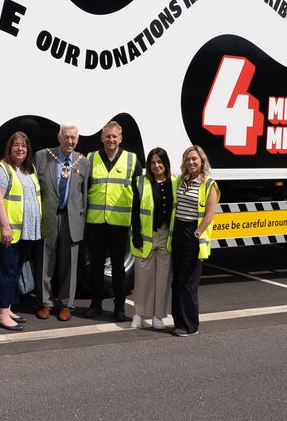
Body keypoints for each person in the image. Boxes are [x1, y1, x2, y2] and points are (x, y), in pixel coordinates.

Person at [84, 120, 141, 321]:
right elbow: (83, 192)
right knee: (96, 266)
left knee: (118, 268)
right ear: (101, 137)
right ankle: (95, 304)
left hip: (119, 224)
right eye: (107, 136)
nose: (111, 139)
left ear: (120, 138)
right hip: (96, 222)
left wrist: (137, 228)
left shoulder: (132, 160)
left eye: (114, 136)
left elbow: (139, 196)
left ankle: (119, 308)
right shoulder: (91, 159)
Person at [0, 131, 42, 331]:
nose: (20, 149)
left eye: (24, 146)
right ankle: (1, 314)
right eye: (16, 145)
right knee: (5, 273)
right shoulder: (3, 169)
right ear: (9, 148)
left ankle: (7, 308)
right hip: (6, 233)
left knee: (14, 272)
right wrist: (5, 227)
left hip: (23, 234)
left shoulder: (28, 170)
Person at [33, 125, 88, 321]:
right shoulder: (42, 156)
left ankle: (66, 304)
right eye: (66, 137)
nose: (70, 141)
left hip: (71, 219)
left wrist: (83, 221)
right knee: (45, 262)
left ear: (78, 139)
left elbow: (85, 194)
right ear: (59, 137)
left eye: (73, 138)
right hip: (48, 217)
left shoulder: (83, 162)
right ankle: (45, 303)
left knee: (70, 264)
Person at [169, 145, 219, 336]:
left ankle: (190, 325)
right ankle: (178, 321)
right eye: (188, 159)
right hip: (178, 232)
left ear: (202, 161)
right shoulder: (182, 181)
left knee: (188, 282)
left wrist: (197, 233)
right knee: (177, 281)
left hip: (192, 233)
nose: (191, 162)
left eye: (194, 159)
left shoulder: (209, 184)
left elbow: (209, 214)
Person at [130, 147, 175, 329]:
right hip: (146, 237)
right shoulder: (141, 182)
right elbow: (134, 211)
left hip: (166, 237)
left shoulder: (175, 182)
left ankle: (158, 316)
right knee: (142, 279)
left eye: (160, 162)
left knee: (163, 279)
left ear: (166, 163)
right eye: (153, 162)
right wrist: (137, 237)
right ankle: (139, 315)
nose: (157, 165)